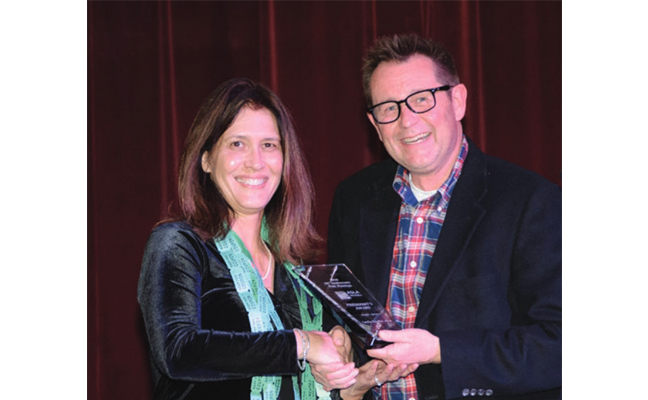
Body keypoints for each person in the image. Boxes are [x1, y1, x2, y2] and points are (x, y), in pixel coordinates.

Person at [322, 34, 562, 400]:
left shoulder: (531, 201)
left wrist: (440, 351)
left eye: (422, 99)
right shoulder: (352, 199)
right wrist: (338, 341)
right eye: (388, 108)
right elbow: (344, 315)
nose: (407, 121)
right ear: (374, 123)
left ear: (458, 101)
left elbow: (561, 344)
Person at [137, 78, 358, 400]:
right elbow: (179, 352)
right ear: (206, 159)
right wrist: (301, 343)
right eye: (237, 144)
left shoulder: (298, 274)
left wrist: (348, 371)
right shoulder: (179, 245)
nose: (256, 162)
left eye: (269, 145)